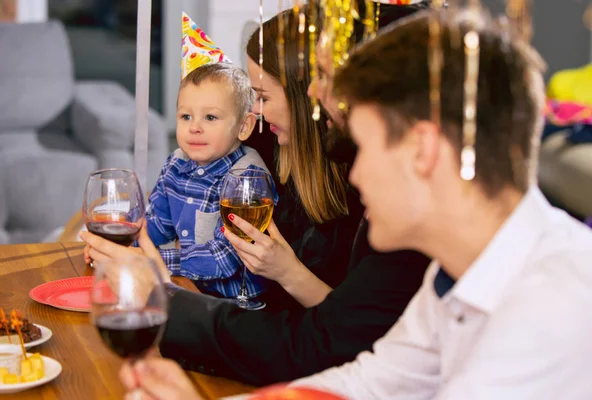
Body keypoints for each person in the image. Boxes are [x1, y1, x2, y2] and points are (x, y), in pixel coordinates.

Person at [82, 1, 430, 393]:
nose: (318, 90)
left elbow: (325, 342)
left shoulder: (388, 211)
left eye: (262, 96)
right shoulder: (272, 139)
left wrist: (158, 286)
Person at [287, 9, 592, 398]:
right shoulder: (455, 271)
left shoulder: (553, 302)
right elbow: (370, 383)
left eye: (364, 147)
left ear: (423, 150)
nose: (355, 175)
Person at [86, 62, 271, 301]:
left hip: (232, 306)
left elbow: (224, 258)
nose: (194, 127)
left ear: (244, 126)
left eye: (210, 117)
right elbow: (157, 224)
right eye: (186, 116)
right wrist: (115, 248)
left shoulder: (248, 178)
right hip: (186, 288)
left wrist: (149, 260)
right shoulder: (176, 164)